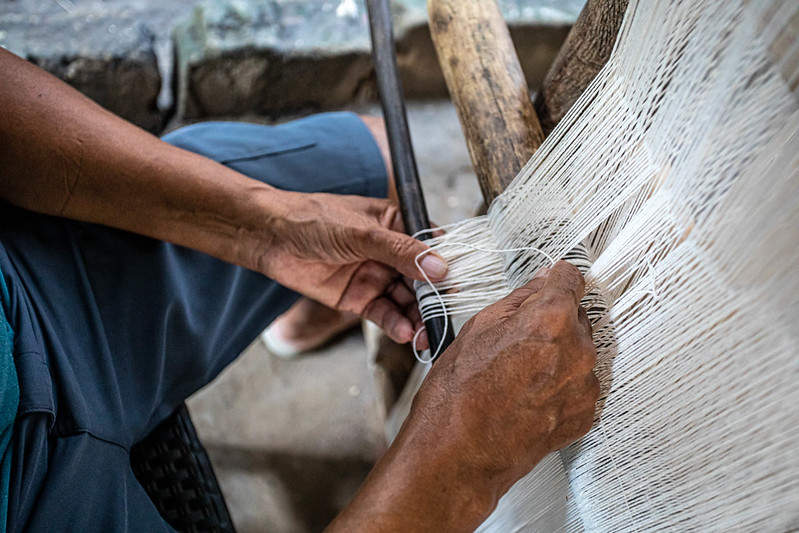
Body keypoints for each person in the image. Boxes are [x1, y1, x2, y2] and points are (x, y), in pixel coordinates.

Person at [0, 47, 599, 531]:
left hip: (23, 292)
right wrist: (464, 459)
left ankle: (288, 321)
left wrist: (264, 228)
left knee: (373, 164)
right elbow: (461, 460)